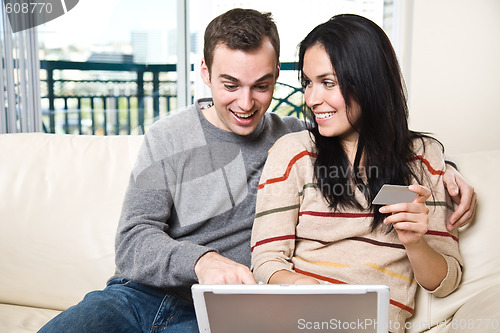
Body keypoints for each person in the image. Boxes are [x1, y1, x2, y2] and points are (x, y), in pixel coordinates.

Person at [39, 8, 474, 333]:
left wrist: (446, 170)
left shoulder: (296, 139)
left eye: (262, 86)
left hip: (226, 309)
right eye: (230, 86)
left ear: (275, 77)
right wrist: (203, 260)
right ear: (205, 73)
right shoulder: (169, 138)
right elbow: (133, 242)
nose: (246, 104)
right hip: (136, 296)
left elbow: (373, 145)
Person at [250, 14, 463, 333]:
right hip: (299, 320)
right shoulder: (294, 152)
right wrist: (304, 289)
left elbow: (446, 282)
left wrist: (415, 243)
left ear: (369, 80)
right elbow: (266, 261)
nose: (311, 99)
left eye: (328, 82)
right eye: (308, 82)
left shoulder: (422, 157)